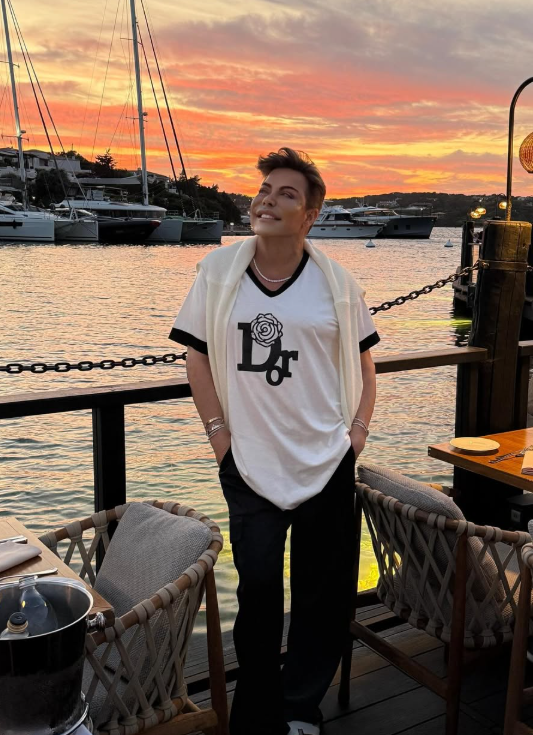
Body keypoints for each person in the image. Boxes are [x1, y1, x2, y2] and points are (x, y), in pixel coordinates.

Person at [170, 147, 379, 735]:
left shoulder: (338, 284)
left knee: (321, 595)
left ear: (310, 215)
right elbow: (196, 358)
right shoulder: (219, 273)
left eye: (287, 193)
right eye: (264, 189)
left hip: (326, 460)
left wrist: (355, 437)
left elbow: (365, 367)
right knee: (258, 592)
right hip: (250, 463)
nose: (268, 200)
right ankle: (257, 709)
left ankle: (301, 708)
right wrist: (220, 440)